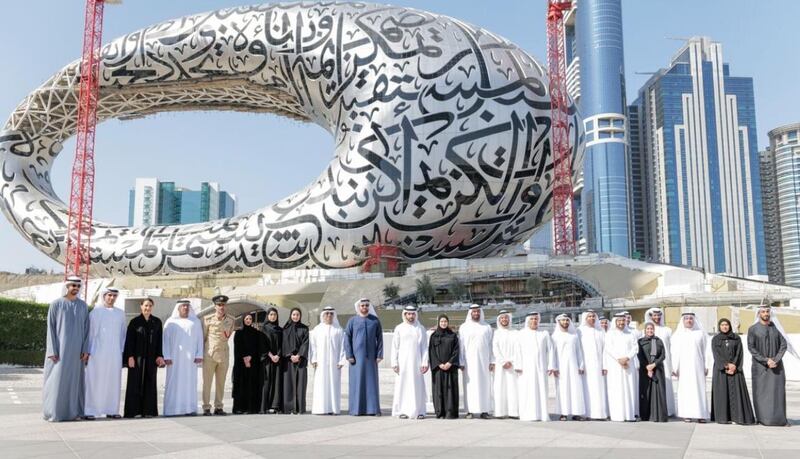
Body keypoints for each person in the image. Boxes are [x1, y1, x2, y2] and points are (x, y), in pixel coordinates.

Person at [43, 276, 90, 422]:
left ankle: (74, 412)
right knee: (56, 381)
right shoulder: (56, 304)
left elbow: (87, 329)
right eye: (73, 285)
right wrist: (52, 351)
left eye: (78, 286)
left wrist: (85, 349)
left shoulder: (83, 306)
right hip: (59, 352)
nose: (75, 288)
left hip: (77, 353)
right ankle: (54, 412)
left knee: (75, 382)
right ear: (67, 286)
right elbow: (50, 329)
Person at [747, 305, 797, 426]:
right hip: (760, 368)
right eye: (763, 312)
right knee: (761, 393)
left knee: (778, 393)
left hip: (777, 367)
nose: (765, 313)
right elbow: (751, 347)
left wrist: (775, 359)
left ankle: (779, 420)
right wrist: (765, 360)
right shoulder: (753, 329)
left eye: (767, 311)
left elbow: (783, 345)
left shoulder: (777, 329)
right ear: (759, 314)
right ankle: (763, 419)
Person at [84, 287, 126, 419]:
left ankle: (112, 409)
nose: (112, 298)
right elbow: (90, 334)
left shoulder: (120, 313)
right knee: (95, 381)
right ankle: (90, 410)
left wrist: (122, 352)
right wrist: (88, 351)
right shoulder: (95, 312)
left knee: (113, 381)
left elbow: (123, 335)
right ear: (104, 296)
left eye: (114, 295)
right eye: (109, 295)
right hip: (97, 353)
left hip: (115, 353)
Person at [123, 297, 165, 418]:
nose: (148, 308)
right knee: (134, 382)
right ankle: (133, 411)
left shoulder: (157, 322)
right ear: (141, 307)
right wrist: (130, 357)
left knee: (150, 382)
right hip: (137, 357)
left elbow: (159, 341)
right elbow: (129, 341)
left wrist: (159, 356)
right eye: (145, 306)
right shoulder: (134, 322)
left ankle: (148, 411)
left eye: (150, 306)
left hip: (151, 358)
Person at [163, 300, 204, 417]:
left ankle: (189, 408)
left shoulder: (195, 322)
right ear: (178, 308)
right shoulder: (170, 322)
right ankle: (172, 410)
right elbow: (165, 341)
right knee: (173, 383)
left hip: (190, 361)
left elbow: (200, 339)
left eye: (187, 306)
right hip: (174, 360)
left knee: (190, 383)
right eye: (183, 306)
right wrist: (167, 356)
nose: (185, 308)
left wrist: (199, 354)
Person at [344, 298, 384, 416]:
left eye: (367, 305)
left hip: (371, 358)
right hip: (356, 359)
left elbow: (380, 339)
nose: (364, 307)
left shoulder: (375, 321)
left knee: (371, 383)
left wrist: (379, 355)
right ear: (358, 307)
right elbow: (347, 339)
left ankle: (373, 409)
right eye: (362, 306)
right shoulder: (352, 321)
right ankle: (356, 409)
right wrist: (349, 355)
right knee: (357, 383)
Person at [711, 318, 754, 425]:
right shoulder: (715, 339)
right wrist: (726, 365)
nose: (724, 327)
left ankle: (737, 417)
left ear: (729, 326)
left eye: (726, 325)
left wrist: (734, 365)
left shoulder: (736, 338)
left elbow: (739, 353)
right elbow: (716, 354)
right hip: (721, 371)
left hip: (735, 370)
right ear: (719, 327)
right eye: (722, 325)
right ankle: (723, 418)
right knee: (722, 393)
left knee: (737, 393)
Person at [391, 306, 429, 419]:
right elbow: (395, 347)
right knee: (403, 386)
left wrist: (425, 362)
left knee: (417, 387)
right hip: (403, 364)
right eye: (408, 314)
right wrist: (394, 363)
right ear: (405, 315)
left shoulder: (420, 328)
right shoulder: (399, 328)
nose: (411, 316)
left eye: (412, 314)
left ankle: (419, 411)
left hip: (417, 364)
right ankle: (402, 411)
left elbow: (424, 347)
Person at [516, 312, 555, 422]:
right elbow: (517, 351)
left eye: (536, 319)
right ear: (528, 321)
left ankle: (541, 414)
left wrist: (551, 365)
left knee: (541, 390)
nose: (534, 321)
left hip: (541, 367)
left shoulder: (544, 333)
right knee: (527, 390)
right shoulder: (521, 334)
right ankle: (528, 414)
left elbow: (550, 350)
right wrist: (518, 365)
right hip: (526, 369)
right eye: (532, 319)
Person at [671, 312, 709, 423]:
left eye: (691, 318)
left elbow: (705, 351)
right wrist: (674, 368)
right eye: (686, 318)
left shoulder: (700, 334)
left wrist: (706, 366)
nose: (689, 320)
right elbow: (674, 352)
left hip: (698, 367)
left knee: (699, 390)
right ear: (683, 321)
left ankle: (701, 414)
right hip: (684, 368)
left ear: (694, 320)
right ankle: (686, 414)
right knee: (686, 390)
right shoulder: (677, 335)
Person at [309, 306, 346, 415]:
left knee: (333, 385)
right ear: (323, 315)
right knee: (321, 385)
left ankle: (333, 408)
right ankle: (320, 408)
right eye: (327, 313)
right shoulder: (317, 330)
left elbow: (343, 347)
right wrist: (314, 359)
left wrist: (341, 361)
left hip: (335, 364)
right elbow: (313, 346)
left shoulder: (339, 330)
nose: (329, 315)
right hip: (320, 363)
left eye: (331, 313)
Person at [459, 304, 494, 419]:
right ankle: (470, 411)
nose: (476, 314)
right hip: (469, 363)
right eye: (474, 312)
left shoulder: (487, 327)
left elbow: (490, 345)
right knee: (470, 386)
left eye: (478, 312)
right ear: (470, 313)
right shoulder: (464, 327)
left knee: (484, 385)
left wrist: (491, 361)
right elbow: (461, 346)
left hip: (484, 362)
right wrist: (461, 362)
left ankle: (485, 410)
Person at [202, 294, 234, 416]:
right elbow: (204, 337)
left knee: (221, 382)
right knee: (207, 382)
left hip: (224, 355)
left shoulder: (231, 320)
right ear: (215, 306)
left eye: (223, 305)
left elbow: (228, 335)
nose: (221, 307)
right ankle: (206, 407)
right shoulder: (208, 319)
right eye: (219, 305)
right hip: (210, 354)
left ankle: (218, 406)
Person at [551, 314, 585, 421]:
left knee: (575, 389)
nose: (565, 322)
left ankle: (576, 413)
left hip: (574, 366)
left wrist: (581, 365)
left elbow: (579, 351)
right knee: (563, 389)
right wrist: (554, 367)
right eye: (563, 320)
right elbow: (552, 353)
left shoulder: (574, 336)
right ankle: (563, 413)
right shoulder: (555, 336)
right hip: (561, 368)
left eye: (567, 320)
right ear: (559, 322)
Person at [604, 313, 638, 422]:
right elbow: (609, 348)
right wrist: (619, 359)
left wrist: (627, 358)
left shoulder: (630, 334)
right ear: (615, 321)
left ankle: (629, 415)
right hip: (615, 366)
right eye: (619, 321)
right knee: (616, 390)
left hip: (628, 365)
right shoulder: (610, 334)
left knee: (629, 389)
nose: (621, 323)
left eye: (623, 321)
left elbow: (635, 348)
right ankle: (617, 415)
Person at [644, 307, 675, 416]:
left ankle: (668, 410)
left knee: (666, 385)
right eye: (654, 315)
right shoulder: (647, 330)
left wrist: (673, 366)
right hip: (651, 364)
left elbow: (671, 349)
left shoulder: (667, 330)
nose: (656, 317)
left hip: (665, 363)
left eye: (658, 315)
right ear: (651, 316)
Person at [577, 310, 607, 421]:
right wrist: (580, 365)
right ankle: (586, 413)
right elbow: (578, 349)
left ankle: (599, 414)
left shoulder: (600, 331)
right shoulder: (580, 331)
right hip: (586, 366)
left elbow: (605, 350)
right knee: (587, 389)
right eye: (589, 316)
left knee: (599, 389)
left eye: (593, 316)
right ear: (585, 318)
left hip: (599, 366)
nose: (592, 318)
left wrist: (604, 365)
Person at [232, 312, 264, 414]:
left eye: (250, 319)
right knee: (241, 384)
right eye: (246, 319)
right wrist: (245, 358)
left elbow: (257, 348)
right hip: (241, 364)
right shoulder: (238, 333)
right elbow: (237, 348)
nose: (248, 320)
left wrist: (250, 357)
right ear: (243, 320)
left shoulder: (256, 333)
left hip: (253, 363)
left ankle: (252, 408)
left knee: (252, 385)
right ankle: (240, 408)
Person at [428, 314, 460, 419]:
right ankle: (440, 412)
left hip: (450, 368)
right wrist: (439, 363)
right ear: (438, 323)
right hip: (438, 368)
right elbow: (431, 351)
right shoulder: (434, 336)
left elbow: (456, 350)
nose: (443, 323)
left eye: (445, 321)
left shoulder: (453, 335)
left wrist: (450, 363)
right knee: (439, 390)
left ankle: (450, 412)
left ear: (448, 322)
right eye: (441, 321)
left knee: (451, 390)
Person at [637, 322, 668, 422]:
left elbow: (663, 355)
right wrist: (648, 367)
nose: (650, 331)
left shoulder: (658, 341)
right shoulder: (640, 341)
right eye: (648, 329)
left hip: (658, 369)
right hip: (645, 370)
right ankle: (645, 416)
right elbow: (640, 356)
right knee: (646, 392)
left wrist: (654, 365)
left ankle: (659, 416)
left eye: (651, 329)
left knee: (659, 392)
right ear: (645, 330)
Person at [283, 307, 310, 414]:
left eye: (297, 315)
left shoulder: (304, 329)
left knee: (301, 384)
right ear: (290, 315)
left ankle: (300, 408)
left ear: (300, 316)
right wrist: (290, 355)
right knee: (289, 384)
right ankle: (289, 407)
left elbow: (306, 343)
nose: (295, 316)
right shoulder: (286, 329)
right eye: (293, 314)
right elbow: (284, 343)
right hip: (288, 361)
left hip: (301, 360)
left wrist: (298, 355)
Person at [492, 310, 519, 419]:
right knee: (500, 388)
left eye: (506, 318)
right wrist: (503, 362)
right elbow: (495, 348)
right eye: (502, 318)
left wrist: (511, 361)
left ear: (509, 319)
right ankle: (500, 412)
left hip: (512, 364)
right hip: (500, 365)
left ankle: (513, 412)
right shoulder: (496, 333)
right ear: (499, 320)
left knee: (513, 388)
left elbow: (518, 349)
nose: (504, 320)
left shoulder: (515, 332)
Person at [260, 307, 283, 414]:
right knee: (267, 382)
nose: (273, 316)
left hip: (277, 360)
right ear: (267, 316)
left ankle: (275, 405)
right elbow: (262, 344)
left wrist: (278, 355)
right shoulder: (264, 329)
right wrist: (270, 355)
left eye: (275, 315)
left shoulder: (280, 330)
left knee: (276, 382)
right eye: (271, 314)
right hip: (267, 360)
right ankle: (265, 406)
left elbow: (283, 344)